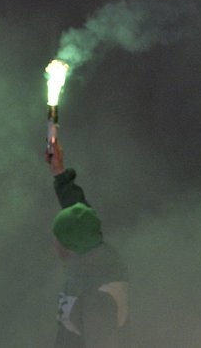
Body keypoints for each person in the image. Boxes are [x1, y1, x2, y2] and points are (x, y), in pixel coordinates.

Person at [47, 139, 130, 348]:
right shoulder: (91, 251)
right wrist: (59, 173)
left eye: (59, 236)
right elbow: (79, 213)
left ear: (70, 245)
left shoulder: (98, 298)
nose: (54, 241)